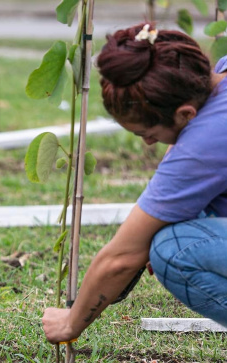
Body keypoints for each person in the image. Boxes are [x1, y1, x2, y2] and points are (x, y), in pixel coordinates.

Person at [42, 23, 227, 344]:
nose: (148, 144)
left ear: (186, 113)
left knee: (174, 249)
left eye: (148, 134)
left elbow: (121, 258)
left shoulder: (206, 142)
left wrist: (71, 322)